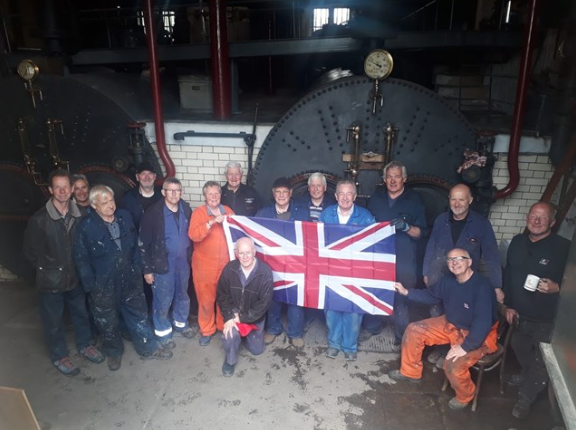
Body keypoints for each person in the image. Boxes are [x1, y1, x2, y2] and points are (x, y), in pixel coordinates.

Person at [75, 185, 173, 371]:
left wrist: (138, 268)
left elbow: (136, 245)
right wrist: (91, 286)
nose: (110, 205)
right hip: (103, 283)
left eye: (111, 200)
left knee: (138, 315)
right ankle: (114, 352)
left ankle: (148, 348)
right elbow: (81, 259)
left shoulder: (124, 217)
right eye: (104, 203)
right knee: (107, 320)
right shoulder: (86, 227)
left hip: (129, 277)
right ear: (94, 205)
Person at [388, 248, 498, 411]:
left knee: (453, 365)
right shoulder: (448, 281)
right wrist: (406, 292)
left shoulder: (482, 286)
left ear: (470, 262)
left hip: (477, 333)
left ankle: (465, 396)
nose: (455, 263)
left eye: (460, 259)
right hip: (451, 323)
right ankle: (410, 372)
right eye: (451, 260)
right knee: (414, 329)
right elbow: (430, 296)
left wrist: (465, 347)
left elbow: (483, 322)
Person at [23, 169, 104, 376]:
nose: (62, 191)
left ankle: (85, 345)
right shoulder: (40, 220)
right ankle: (60, 356)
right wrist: (47, 270)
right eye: (57, 187)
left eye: (66, 187)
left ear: (71, 190)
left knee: (81, 314)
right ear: (50, 190)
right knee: (53, 322)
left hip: (75, 277)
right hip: (51, 281)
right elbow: (30, 251)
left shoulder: (81, 215)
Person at [503, 202, 570, 419]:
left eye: (543, 217)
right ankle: (526, 374)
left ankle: (526, 398)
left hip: (547, 317)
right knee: (518, 346)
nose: (537, 221)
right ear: (527, 218)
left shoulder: (564, 247)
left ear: (552, 222)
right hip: (520, 313)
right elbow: (509, 275)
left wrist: (558, 287)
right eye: (533, 216)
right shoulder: (517, 242)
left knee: (542, 361)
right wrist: (509, 305)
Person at [423, 183, 502, 365]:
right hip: (440, 276)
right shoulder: (441, 220)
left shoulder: (481, 224)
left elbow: (491, 256)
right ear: (449, 200)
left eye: (461, 199)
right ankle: (440, 349)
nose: (457, 204)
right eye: (453, 199)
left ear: (470, 201)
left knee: (459, 316)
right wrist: (426, 272)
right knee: (437, 311)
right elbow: (431, 247)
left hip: (463, 282)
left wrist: (497, 285)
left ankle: (453, 352)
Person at [364, 161, 427, 344]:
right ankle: (373, 326)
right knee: (375, 290)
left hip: (404, 258)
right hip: (379, 256)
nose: (392, 181)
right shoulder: (376, 198)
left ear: (404, 179)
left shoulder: (414, 200)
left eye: (396, 176)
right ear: (384, 179)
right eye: (389, 177)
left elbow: (421, 233)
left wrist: (406, 227)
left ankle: (401, 335)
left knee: (402, 295)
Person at [319, 179, 375, 361]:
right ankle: (334, 344)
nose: (345, 198)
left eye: (348, 193)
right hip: (331, 270)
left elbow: (374, 243)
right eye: (341, 194)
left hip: (355, 272)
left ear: (355, 196)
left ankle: (349, 346)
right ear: (335, 196)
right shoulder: (326, 214)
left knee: (353, 310)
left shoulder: (366, 217)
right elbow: (317, 240)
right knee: (332, 308)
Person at [139, 177, 194, 350]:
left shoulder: (186, 208)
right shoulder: (153, 213)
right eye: (170, 190)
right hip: (162, 261)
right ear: (163, 192)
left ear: (181, 192)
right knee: (163, 297)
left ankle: (180, 323)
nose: (174, 193)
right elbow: (143, 242)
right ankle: (163, 332)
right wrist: (147, 269)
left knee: (182, 293)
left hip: (183, 261)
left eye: (177, 190)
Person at [256, 177, 310, 347]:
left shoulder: (302, 212)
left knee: (295, 297)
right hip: (272, 263)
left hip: (295, 264)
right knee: (273, 297)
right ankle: (272, 329)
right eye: (277, 192)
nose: (281, 195)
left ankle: (295, 333)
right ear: (273, 194)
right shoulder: (263, 213)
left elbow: (309, 237)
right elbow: (254, 234)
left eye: (284, 192)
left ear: (290, 193)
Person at [217, 237, 273, 376]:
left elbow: (264, 303)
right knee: (230, 334)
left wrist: (241, 318)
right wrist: (229, 317)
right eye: (241, 253)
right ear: (236, 253)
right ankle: (230, 360)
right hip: (233, 312)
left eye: (248, 252)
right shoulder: (230, 269)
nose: (245, 256)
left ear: (254, 252)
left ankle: (243, 338)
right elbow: (222, 295)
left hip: (253, 316)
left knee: (257, 350)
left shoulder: (265, 272)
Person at [189, 181, 234, 346]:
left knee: (225, 299)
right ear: (205, 196)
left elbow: (237, 232)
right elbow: (193, 235)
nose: (214, 197)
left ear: (220, 195)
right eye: (210, 194)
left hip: (225, 266)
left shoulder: (228, 211)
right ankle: (207, 330)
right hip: (204, 268)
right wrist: (211, 221)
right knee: (206, 301)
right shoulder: (199, 213)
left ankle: (223, 327)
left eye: (217, 194)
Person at [120, 161, 162, 228]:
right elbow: (123, 223)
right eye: (143, 174)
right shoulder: (128, 198)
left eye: (150, 173)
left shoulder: (163, 196)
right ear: (137, 177)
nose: (147, 177)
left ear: (155, 176)